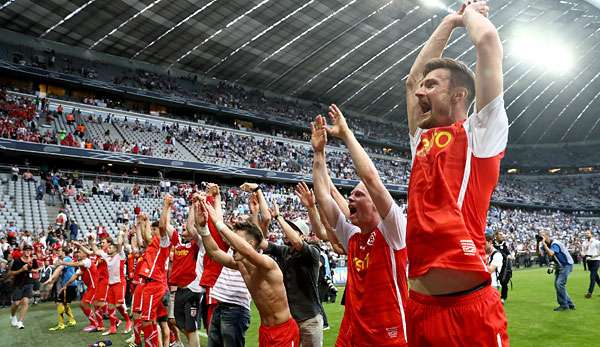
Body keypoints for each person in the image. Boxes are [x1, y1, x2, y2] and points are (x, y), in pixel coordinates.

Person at [404, 0, 508, 345]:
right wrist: (449, 21)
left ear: (459, 94)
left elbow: (488, 41)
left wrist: (470, 16)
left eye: (431, 85)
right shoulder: (421, 138)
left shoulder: (481, 134)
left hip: (469, 311)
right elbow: (410, 82)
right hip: (418, 308)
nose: (421, 91)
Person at [312, 105, 408, 346]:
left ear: (376, 203)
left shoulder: (393, 231)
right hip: (355, 334)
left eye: (358, 195)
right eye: (350, 195)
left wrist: (345, 135)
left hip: (390, 336)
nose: (350, 199)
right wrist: (319, 154)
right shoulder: (352, 236)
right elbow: (324, 197)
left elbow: (371, 179)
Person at [195, 194, 300, 347]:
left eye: (236, 240)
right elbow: (215, 253)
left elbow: (248, 251)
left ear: (251, 243)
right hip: (265, 330)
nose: (232, 245)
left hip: (283, 330)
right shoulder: (242, 266)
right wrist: (203, 229)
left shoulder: (267, 264)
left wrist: (218, 222)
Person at [262, 192, 324, 347]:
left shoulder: (312, 252)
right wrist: (264, 218)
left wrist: (279, 217)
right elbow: (262, 243)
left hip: (309, 319)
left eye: (292, 229)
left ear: (303, 236)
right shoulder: (284, 251)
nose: (286, 231)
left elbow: (296, 242)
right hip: (290, 320)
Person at [59, 243, 101, 332]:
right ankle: (97, 323)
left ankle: (95, 324)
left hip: (95, 287)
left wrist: (63, 262)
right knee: (91, 305)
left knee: (85, 304)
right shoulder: (82, 266)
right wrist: (65, 286)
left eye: (80, 252)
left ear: (85, 254)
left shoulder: (87, 261)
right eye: (77, 252)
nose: (78, 254)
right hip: (92, 288)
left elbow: (77, 264)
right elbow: (74, 277)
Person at [43, 247, 78, 331]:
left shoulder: (66, 259)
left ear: (63, 252)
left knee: (60, 303)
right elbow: (59, 272)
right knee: (65, 304)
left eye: (59, 251)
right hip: (70, 285)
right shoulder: (66, 259)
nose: (57, 252)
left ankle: (61, 324)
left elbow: (59, 269)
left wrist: (50, 279)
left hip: (69, 285)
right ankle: (72, 320)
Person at [539, 231, 575, 311]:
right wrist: (537, 243)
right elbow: (540, 254)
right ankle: (570, 304)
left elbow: (551, 253)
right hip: (559, 266)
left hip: (566, 265)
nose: (541, 237)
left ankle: (564, 305)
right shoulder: (546, 244)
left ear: (547, 236)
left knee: (559, 284)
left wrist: (544, 245)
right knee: (558, 285)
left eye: (542, 236)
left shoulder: (555, 244)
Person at [9, 244, 38, 329]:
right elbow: (11, 273)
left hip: (29, 283)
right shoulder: (17, 261)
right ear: (23, 251)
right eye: (26, 250)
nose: (28, 251)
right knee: (17, 303)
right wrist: (22, 269)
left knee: (25, 302)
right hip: (18, 283)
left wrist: (30, 269)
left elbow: (36, 270)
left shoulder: (33, 260)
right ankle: (13, 316)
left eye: (29, 250)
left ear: (31, 251)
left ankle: (20, 322)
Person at [583, 230, 600, 298]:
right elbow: (583, 251)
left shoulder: (597, 242)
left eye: (588, 233)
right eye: (586, 233)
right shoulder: (584, 242)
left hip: (596, 260)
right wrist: (583, 254)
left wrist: (594, 256)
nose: (587, 234)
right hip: (589, 261)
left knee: (592, 276)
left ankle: (589, 293)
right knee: (596, 277)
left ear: (591, 234)